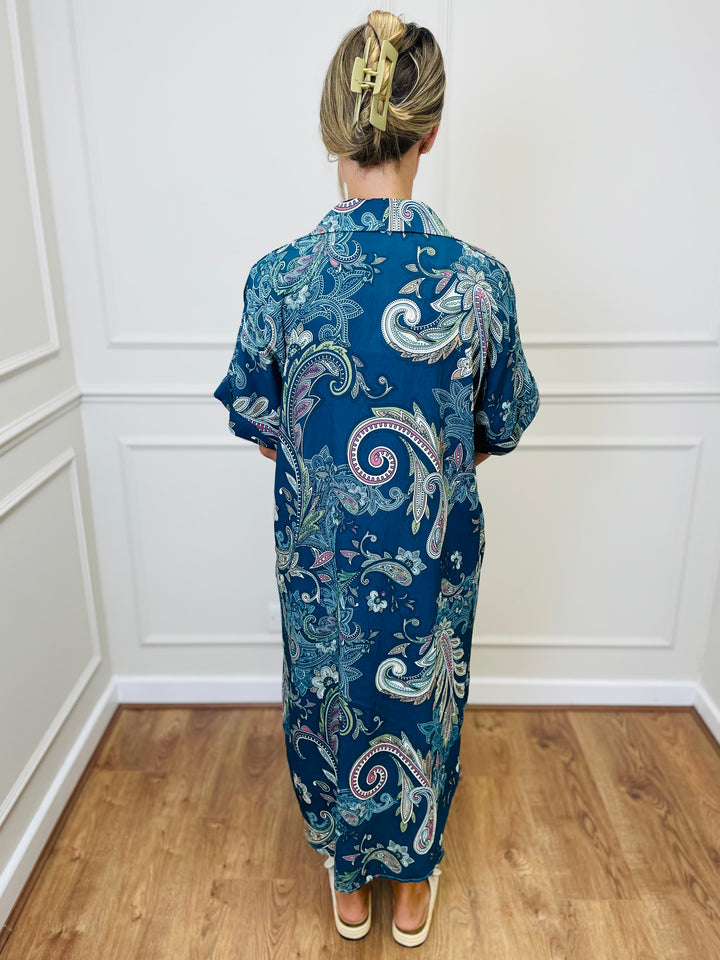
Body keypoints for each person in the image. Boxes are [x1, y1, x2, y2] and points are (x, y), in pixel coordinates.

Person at [214, 9, 539, 947]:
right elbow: (496, 427)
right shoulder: (480, 283)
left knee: (328, 691)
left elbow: (266, 429)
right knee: (426, 693)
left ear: (333, 130)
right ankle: (411, 877)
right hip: (433, 556)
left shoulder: (278, 280)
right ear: (428, 133)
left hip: (322, 564)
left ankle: (348, 876)